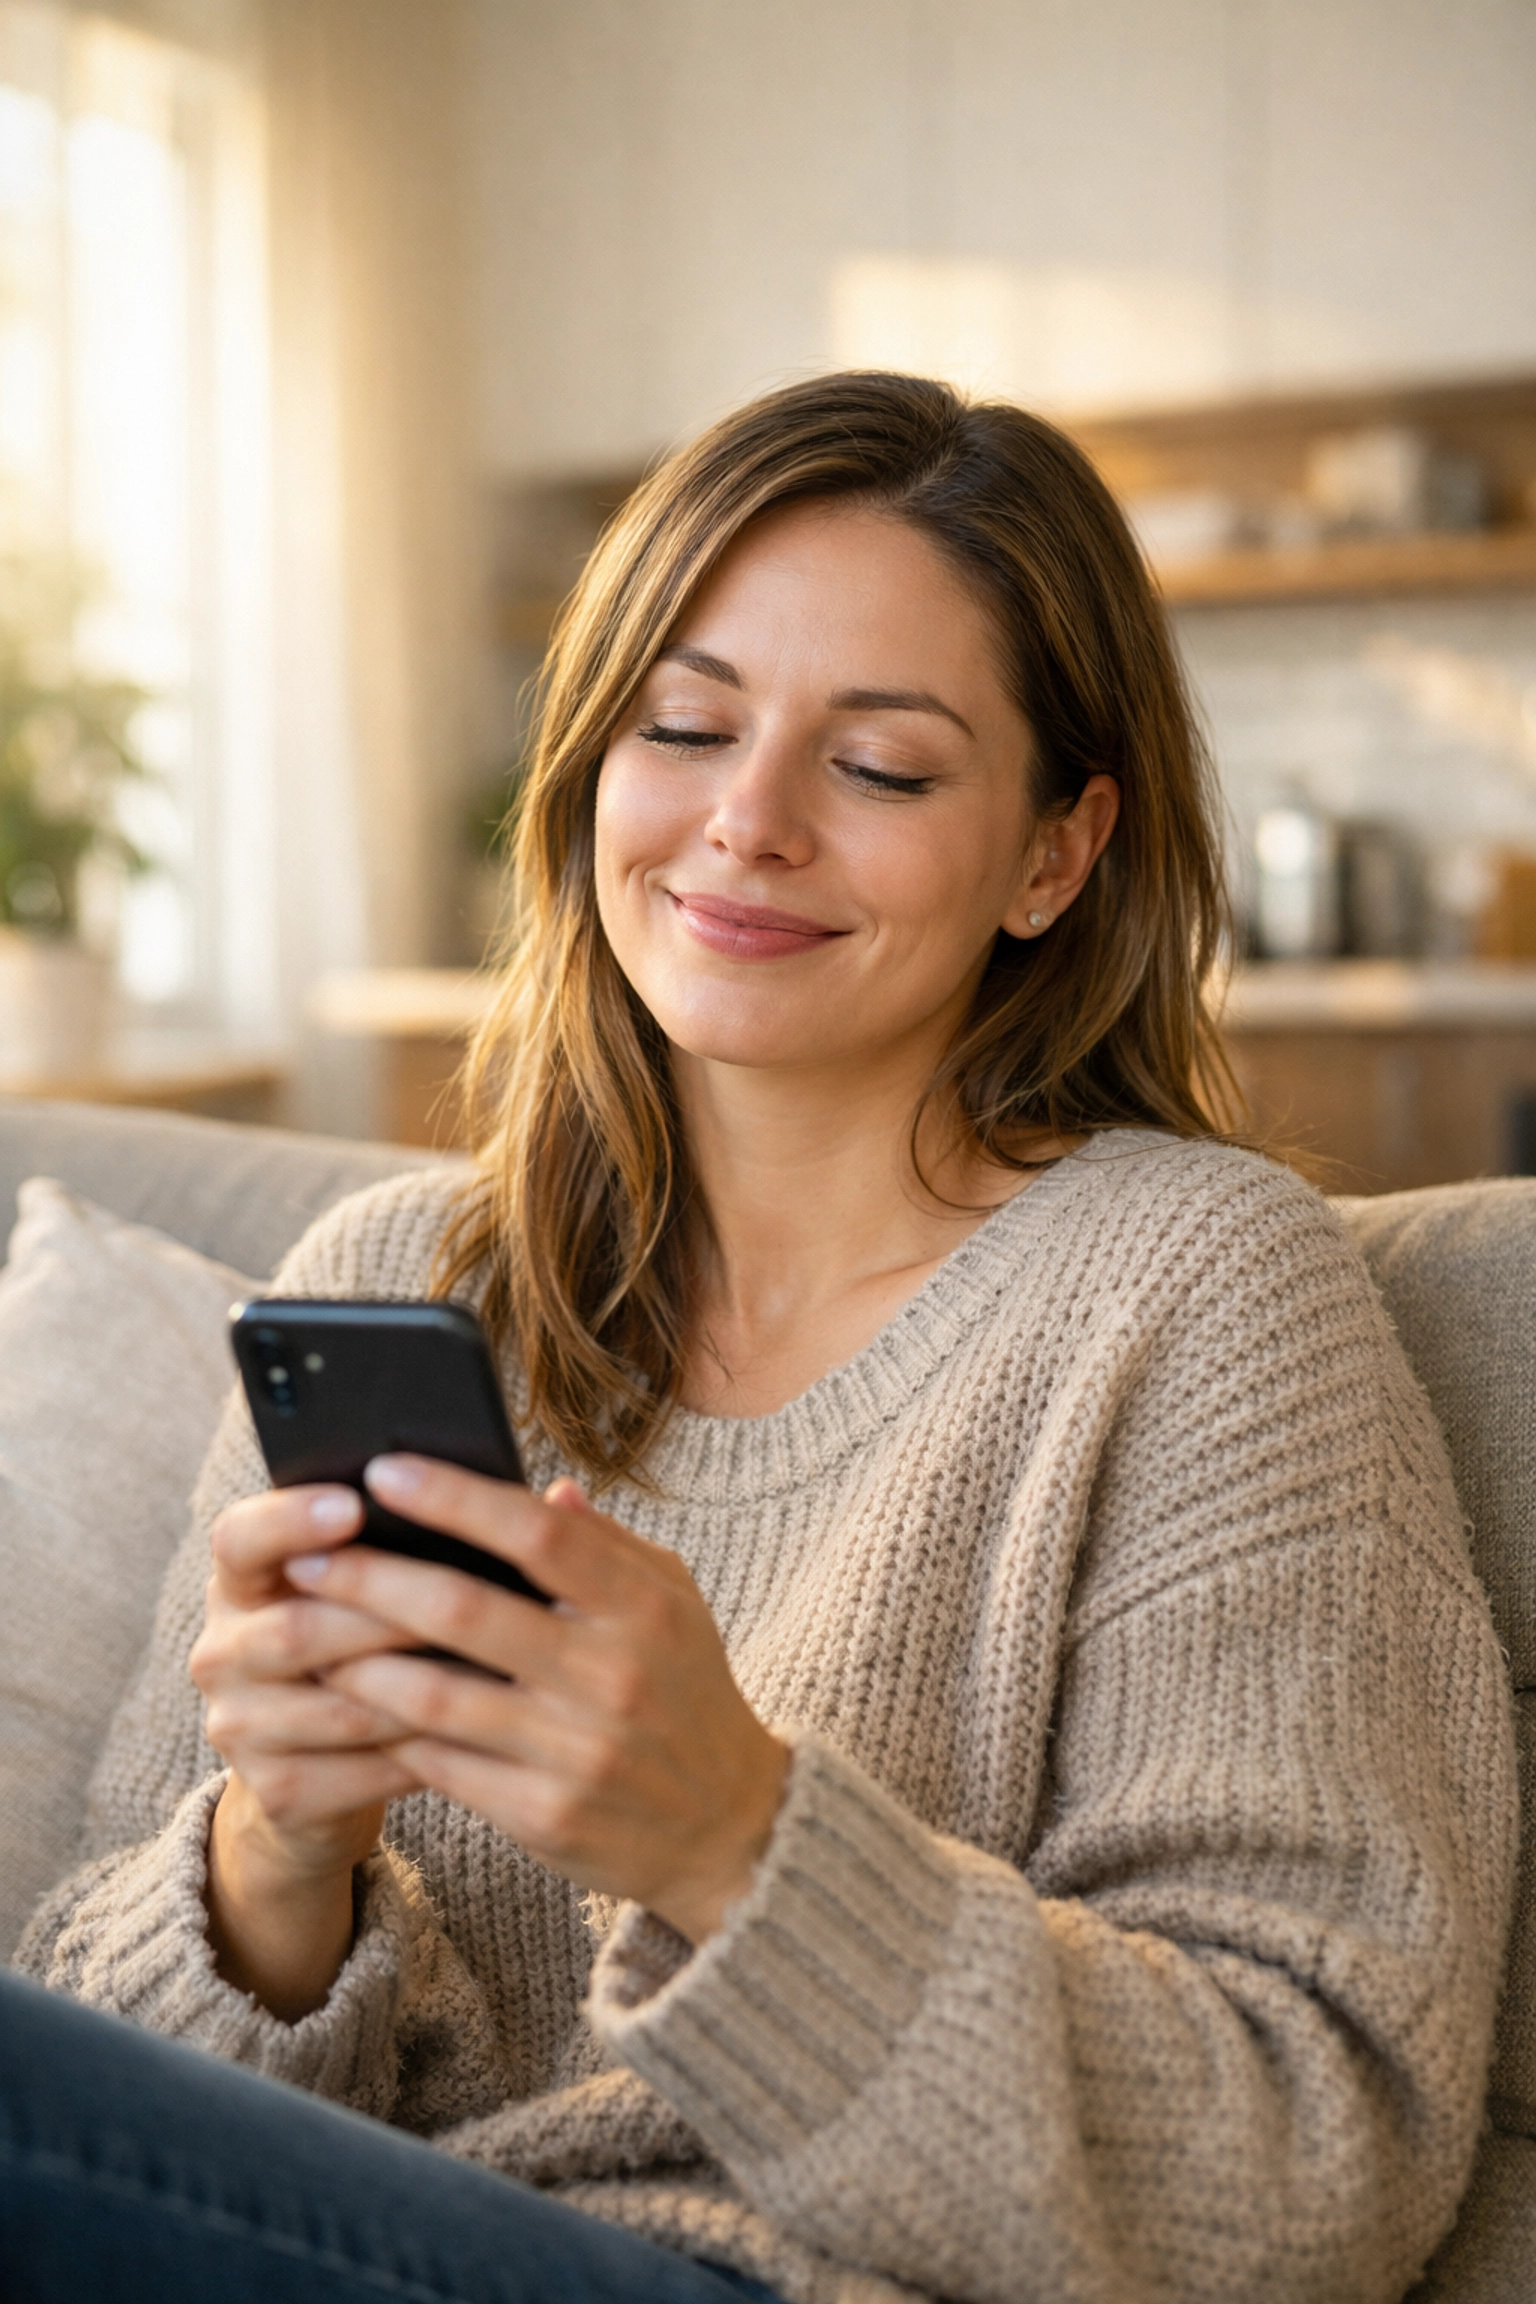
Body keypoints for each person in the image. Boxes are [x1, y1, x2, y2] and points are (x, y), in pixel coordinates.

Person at [2, 372, 1518, 2304]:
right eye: (685, 725)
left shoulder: (1198, 1294)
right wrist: (272, 1862)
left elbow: (1319, 2145)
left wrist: (733, 1837)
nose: (746, 821)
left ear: (1055, 855)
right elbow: (108, 2088)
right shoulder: (404, 1278)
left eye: (879, 768)